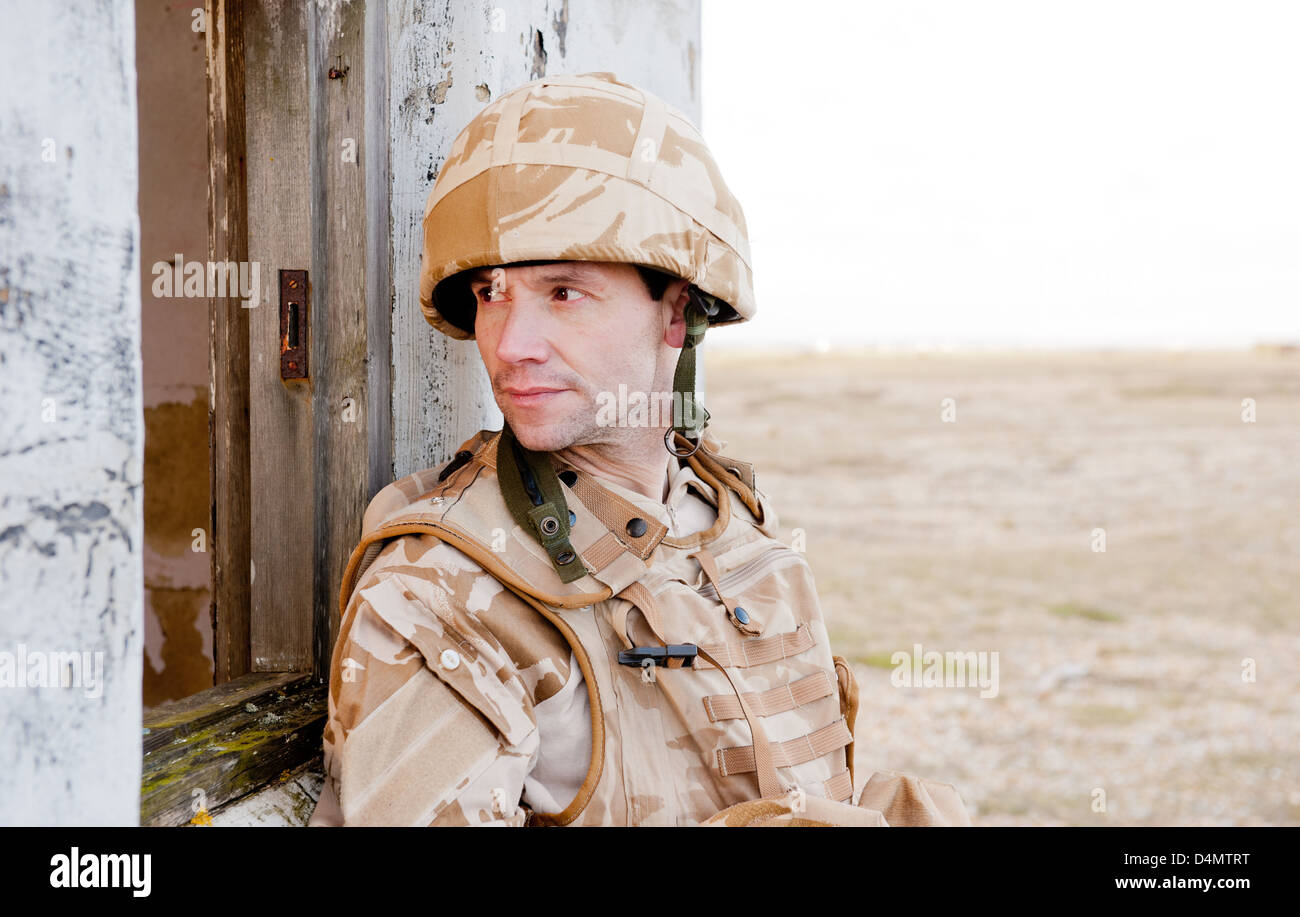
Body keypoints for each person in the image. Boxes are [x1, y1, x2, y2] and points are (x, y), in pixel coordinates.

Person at [309, 72, 970, 826]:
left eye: (563, 292)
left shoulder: (729, 521)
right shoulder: (440, 590)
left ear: (676, 315)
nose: (512, 344)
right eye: (492, 293)